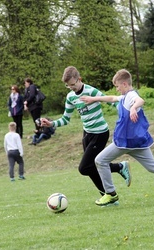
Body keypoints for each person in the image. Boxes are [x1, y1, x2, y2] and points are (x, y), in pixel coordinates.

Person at [80, 69, 154, 206]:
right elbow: (111, 98)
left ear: (124, 84)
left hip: (125, 142)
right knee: (153, 166)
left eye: (117, 86)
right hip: (137, 142)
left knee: (100, 160)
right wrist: (94, 99)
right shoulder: (125, 96)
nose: (117, 89)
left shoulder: (131, 95)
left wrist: (134, 108)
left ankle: (110, 194)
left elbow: (140, 100)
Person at [40, 66, 130, 198]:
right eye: (68, 86)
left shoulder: (91, 91)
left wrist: (127, 112)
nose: (71, 87)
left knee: (84, 168)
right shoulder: (71, 97)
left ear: (79, 79)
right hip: (87, 134)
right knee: (91, 168)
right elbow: (66, 119)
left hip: (100, 133)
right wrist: (52, 123)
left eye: (72, 84)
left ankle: (119, 168)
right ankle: (109, 196)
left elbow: (112, 102)